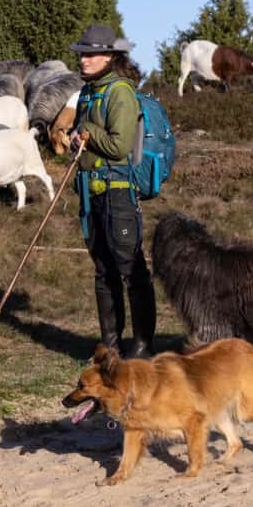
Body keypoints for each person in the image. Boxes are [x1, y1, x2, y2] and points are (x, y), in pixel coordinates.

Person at [68, 23, 156, 358]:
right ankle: (111, 345)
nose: (84, 60)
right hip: (90, 193)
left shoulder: (120, 92)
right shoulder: (88, 92)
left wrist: (87, 131)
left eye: (91, 54)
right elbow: (84, 136)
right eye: (82, 54)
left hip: (118, 193)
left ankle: (143, 346)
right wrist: (75, 137)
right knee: (103, 270)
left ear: (110, 57)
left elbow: (119, 147)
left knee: (130, 268)